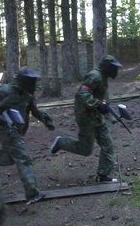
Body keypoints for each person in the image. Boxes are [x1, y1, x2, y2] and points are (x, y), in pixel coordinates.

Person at [49, 55, 122, 183]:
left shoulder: (103, 77)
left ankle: (102, 175)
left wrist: (101, 107)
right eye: (114, 68)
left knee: (108, 144)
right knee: (85, 149)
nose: (116, 71)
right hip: (86, 117)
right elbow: (82, 94)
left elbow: (94, 96)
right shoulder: (95, 76)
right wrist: (98, 105)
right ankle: (61, 142)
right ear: (107, 67)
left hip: (96, 116)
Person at [0, 67, 55, 204]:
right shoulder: (3, 91)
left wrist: (46, 121)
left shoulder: (28, 95)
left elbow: (34, 110)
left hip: (18, 130)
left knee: (9, 158)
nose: (33, 85)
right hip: (6, 131)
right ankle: (32, 194)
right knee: (23, 157)